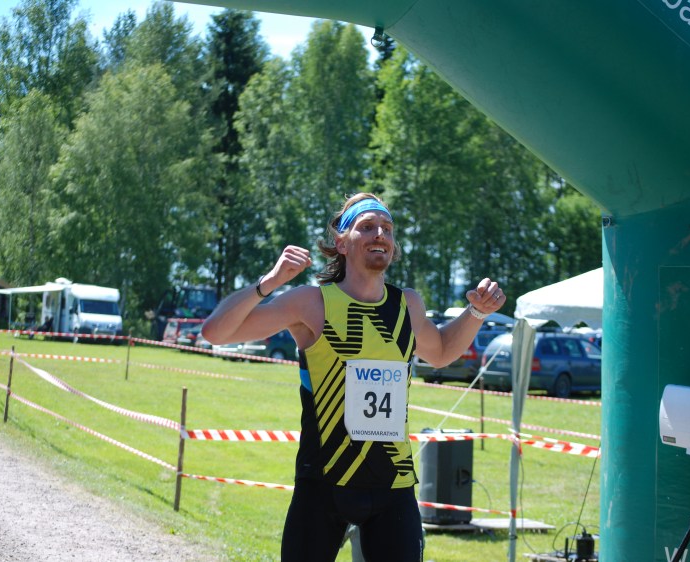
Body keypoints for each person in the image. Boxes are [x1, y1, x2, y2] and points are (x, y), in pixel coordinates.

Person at [202, 193, 506, 562]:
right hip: (323, 480)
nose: (380, 234)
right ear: (342, 243)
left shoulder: (407, 305)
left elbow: (441, 351)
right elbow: (216, 332)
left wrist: (476, 312)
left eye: (387, 229)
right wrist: (269, 282)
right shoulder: (311, 303)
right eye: (367, 227)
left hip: (392, 481)